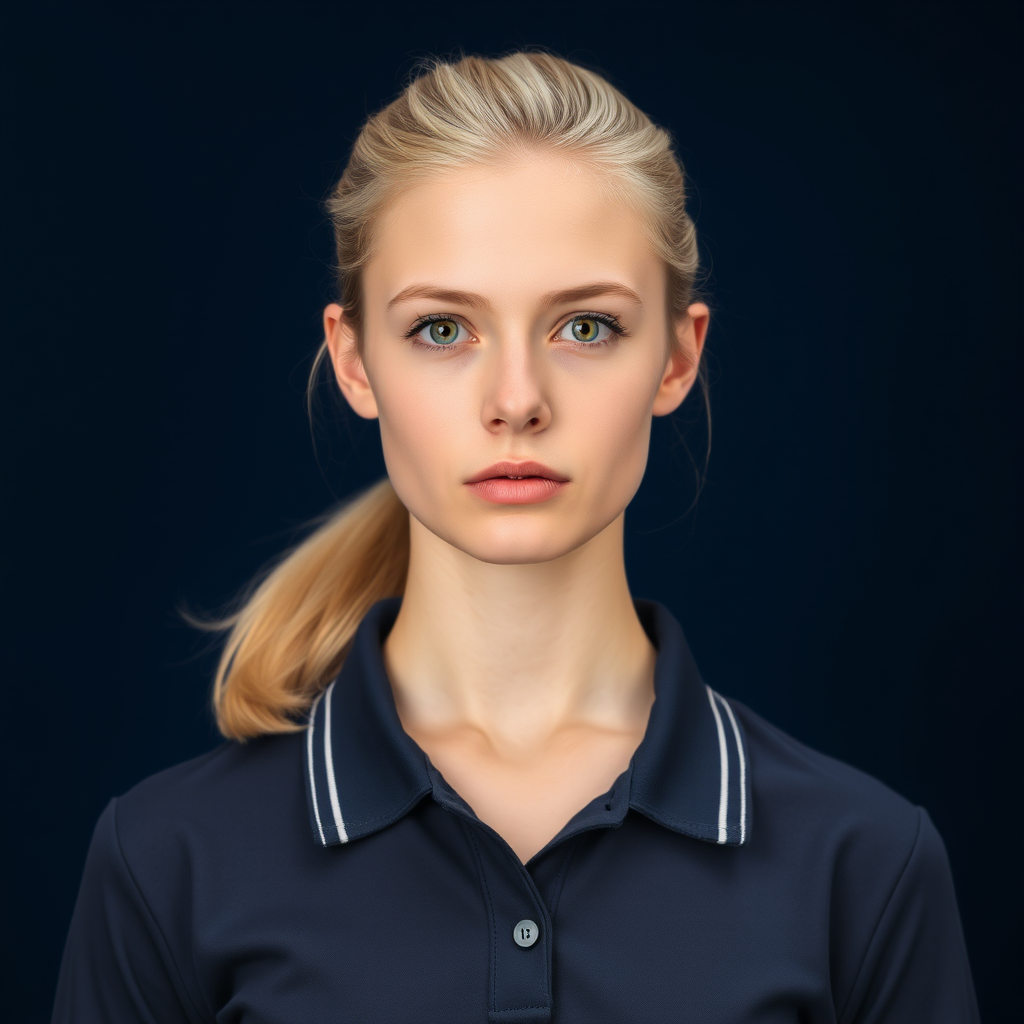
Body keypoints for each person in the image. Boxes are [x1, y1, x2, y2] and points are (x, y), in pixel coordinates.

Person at [52, 50, 980, 1023]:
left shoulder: (864, 864)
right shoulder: (166, 861)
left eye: (584, 327)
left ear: (677, 357)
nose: (516, 403)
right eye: (443, 330)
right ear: (354, 361)